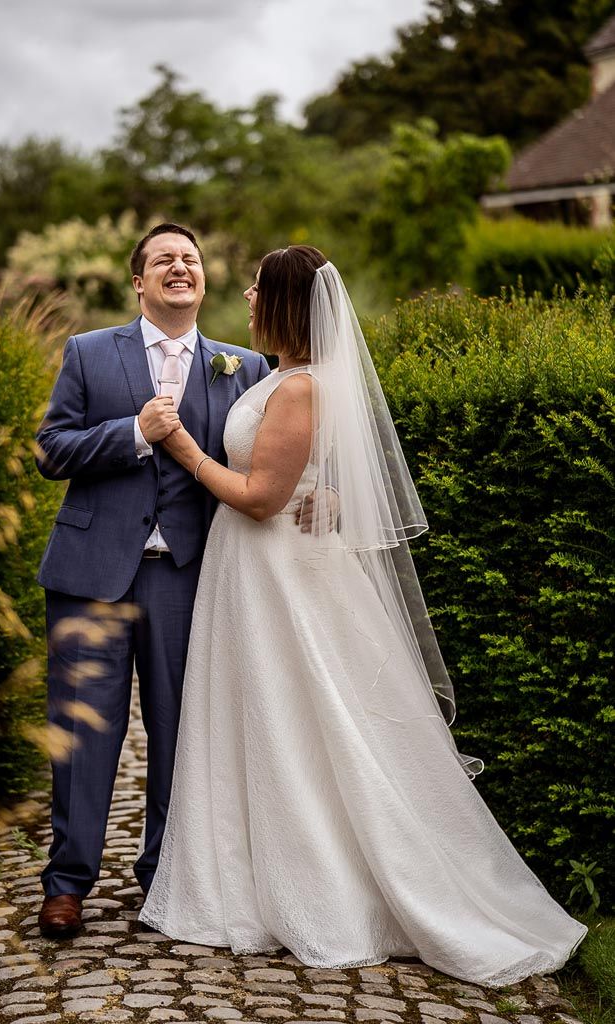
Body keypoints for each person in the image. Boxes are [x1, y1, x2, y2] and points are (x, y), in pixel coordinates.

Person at [138, 245, 587, 985]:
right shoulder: (281, 376)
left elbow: (260, 497)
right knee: (267, 719)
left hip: (281, 576)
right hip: (256, 572)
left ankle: (329, 891)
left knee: (302, 722)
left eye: (258, 290)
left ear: (285, 303)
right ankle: (246, 879)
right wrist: (334, 495)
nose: (246, 298)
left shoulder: (302, 388)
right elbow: (323, 476)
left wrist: (181, 445)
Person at [34, 223, 275, 938]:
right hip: (90, 576)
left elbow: (263, 466)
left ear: (202, 281)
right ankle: (67, 884)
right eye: (163, 259)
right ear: (138, 281)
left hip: (189, 576)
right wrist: (133, 433)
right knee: (83, 737)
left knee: (183, 735)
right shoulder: (87, 352)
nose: (179, 267)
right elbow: (51, 449)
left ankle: (165, 881)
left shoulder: (245, 366)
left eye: (191, 259)